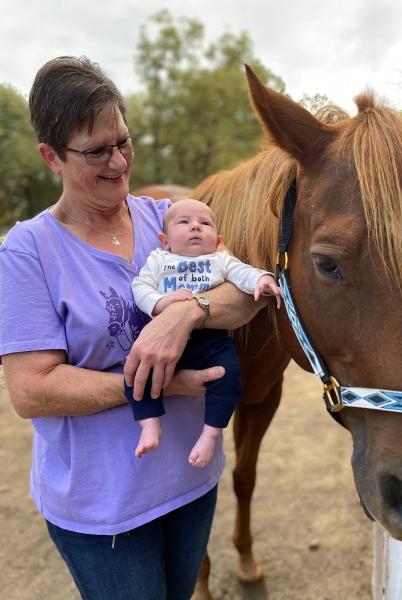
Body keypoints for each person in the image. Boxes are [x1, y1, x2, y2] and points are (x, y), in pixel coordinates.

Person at [0, 56, 269, 600]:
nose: (119, 162)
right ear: (50, 156)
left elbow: (243, 292)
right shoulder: (26, 251)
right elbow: (31, 390)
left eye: (123, 141)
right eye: (96, 151)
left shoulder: (163, 217)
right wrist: (164, 384)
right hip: (106, 513)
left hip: (192, 482)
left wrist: (183, 314)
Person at [125, 199, 282, 466]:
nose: (195, 227)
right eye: (184, 222)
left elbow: (242, 272)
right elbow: (140, 286)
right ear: (164, 240)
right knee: (136, 374)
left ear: (217, 239)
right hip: (162, 337)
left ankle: (210, 433)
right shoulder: (160, 259)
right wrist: (159, 303)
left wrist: (262, 278)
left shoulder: (220, 259)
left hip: (210, 338)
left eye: (205, 223)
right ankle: (149, 424)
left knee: (229, 377)